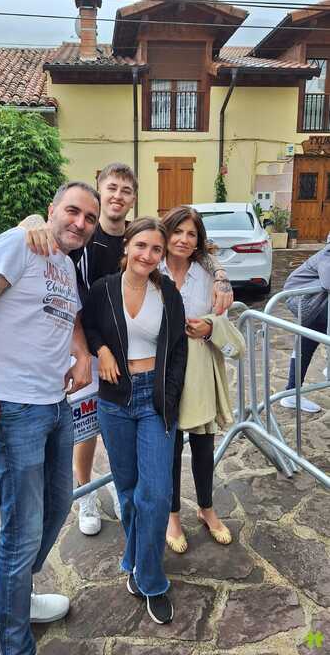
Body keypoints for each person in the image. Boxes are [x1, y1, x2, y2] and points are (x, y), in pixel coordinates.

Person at [21, 164, 233, 536]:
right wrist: (33, 221)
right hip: (89, 345)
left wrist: (220, 274)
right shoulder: (85, 233)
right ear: (100, 190)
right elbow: (52, 231)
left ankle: (127, 494)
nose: (118, 196)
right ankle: (88, 494)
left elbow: (191, 248)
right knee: (86, 429)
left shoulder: (143, 242)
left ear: (134, 199)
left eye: (126, 190)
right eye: (112, 188)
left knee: (139, 436)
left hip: (141, 357)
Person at [0, 182, 99, 655]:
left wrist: (82, 355)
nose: (80, 222)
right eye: (72, 211)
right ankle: (16, 640)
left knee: (58, 506)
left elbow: (68, 320)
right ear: (51, 209)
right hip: (14, 409)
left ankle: (12, 596)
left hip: (55, 404)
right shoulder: (18, 244)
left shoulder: (65, 265)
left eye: (89, 218)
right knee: (23, 530)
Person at [82, 217, 187, 624]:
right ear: (127, 246)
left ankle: (151, 579)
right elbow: (89, 325)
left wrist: (169, 396)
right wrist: (102, 349)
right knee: (127, 491)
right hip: (115, 401)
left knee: (156, 494)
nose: (148, 254)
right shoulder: (103, 289)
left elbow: (178, 350)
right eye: (141, 245)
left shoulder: (168, 293)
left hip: (154, 402)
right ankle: (137, 558)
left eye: (156, 249)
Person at [160, 206, 234, 554]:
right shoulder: (151, 268)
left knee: (204, 445)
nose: (183, 239)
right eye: (177, 231)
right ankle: (173, 515)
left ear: (198, 240)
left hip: (199, 370)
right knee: (170, 446)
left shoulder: (206, 276)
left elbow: (222, 319)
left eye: (191, 234)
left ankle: (206, 508)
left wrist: (208, 327)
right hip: (162, 370)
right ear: (166, 233)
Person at [280, 239, 330, 413]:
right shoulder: (328, 253)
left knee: (304, 346)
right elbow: (328, 282)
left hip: (317, 305)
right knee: (305, 344)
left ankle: (291, 393)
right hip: (304, 302)